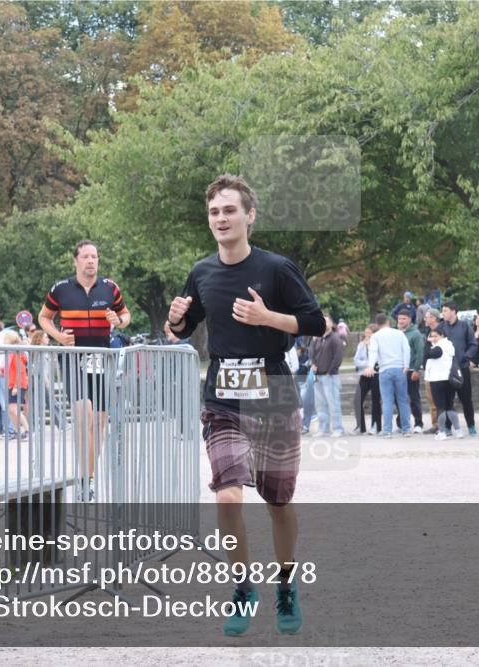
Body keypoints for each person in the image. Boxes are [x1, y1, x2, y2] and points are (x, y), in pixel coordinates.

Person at [166, 174, 325, 636]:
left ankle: (286, 584)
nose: (221, 218)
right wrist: (174, 321)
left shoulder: (276, 268)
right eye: (214, 212)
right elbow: (180, 328)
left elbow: (315, 322)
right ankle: (242, 587)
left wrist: (266, 317)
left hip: (274, 394)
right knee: (228, 495)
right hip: (222, 399)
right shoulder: (202, 272)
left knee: (278, 502)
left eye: (230, 210)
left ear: (249, 216)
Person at [38, 239, 131, 485]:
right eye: (86, 256)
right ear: (76, 261)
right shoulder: (61, 288)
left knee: (100, 420)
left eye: (95, 257)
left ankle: (89, 468)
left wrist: (119, 321)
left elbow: (125, 315)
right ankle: (86, 477)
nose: (91, 261)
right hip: (73, 358)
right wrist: (58, 336)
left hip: (102, 358)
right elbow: (44, 317)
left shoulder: (110, 288)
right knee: (84, 416)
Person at [366, 314, 412, 438]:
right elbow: (406, 349)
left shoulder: (375, 336)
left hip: (384, 370)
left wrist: (370, 366)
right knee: (403, 400)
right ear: (388, 322)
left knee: (387, 401)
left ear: (377, 324)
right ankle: (406, 429)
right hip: (399, 368)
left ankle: (387, 431)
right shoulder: (399, 333)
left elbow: (373, 351)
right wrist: (406, 365)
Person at [440, 301, 479, 435]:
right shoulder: (441, 327)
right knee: (447, 399)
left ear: (454, 311)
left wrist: (465, 356)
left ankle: (471, 426)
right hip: (445, 369)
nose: (443, 313)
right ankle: (447, 427)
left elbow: (474, 344)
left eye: (445, 310)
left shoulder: (465, 326)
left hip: (461, 367)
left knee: (466, 399)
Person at [424, 324, 463, 441]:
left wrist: (427, 343)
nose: (433, 339)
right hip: (449, 379)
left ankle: (442, 432)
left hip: (438, 379)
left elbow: (429, 354)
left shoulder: (440, 346)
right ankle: (458, 430)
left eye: (435, 336)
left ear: (442, 335)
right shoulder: (449, 345)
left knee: (440, 407)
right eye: (431, 336)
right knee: (450, 406)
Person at [310, 314, 345, 437]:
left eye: (326, 321)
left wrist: (330, 371)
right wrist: (313, 364)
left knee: (333, 403)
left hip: (330, 376)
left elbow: (338, 357)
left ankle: (338, 429)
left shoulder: (335, 338)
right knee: (320, 405)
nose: (324, 324)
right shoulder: (318, 338)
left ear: (331, 323)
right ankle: (323, 429)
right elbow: (312, 354)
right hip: (318, 376)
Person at [397, 311, 425, 434]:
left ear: (409, 319)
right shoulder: (396, 333)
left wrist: (416, 369)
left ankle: (418, 423)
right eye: (399, 319)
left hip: (411, 370)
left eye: (403, 319)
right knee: (399, 398)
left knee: (414, 398)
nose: (401, 321)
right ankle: (401, 423)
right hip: (398, 370)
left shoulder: (415, 334)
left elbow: (420, 353)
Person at [353, 325, 381, 435]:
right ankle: (360, 426)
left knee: (376, 401)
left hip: (376, 374)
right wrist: (367, 366)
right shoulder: (361, 345)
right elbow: (356, 360)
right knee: (357, 400)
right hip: (364, 374)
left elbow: (378, 360)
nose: (367, 335)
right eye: (366, 333)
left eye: (370, 333)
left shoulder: (378, 344)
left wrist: (372, 365)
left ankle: (376, 425)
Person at [2, 330, 30, 439]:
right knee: (11, 410)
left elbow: (20, 371)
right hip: (12, 384)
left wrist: (16, 386)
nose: (3, 341)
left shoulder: (16, 353)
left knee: (14, 409)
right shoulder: (11, 353)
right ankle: (17, 431)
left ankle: (27, 430)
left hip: (17, 385)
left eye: (5, 339)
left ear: (10, 340)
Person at [421, 309, 441, 433]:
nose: (424, 319)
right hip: (429, 371)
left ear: (434, 318)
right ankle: (435, 424)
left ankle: (443, 424)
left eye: (427, 317)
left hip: (439, 371)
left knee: (439, 400)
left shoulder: (442, 331)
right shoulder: (428, 332)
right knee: (431, 400)